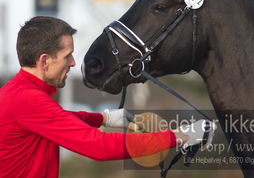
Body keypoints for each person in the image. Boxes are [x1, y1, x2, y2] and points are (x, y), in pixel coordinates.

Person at [0, 16, 215, 178]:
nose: (73, 63)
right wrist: (179, 136)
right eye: (68, 56)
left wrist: (104, 119)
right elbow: (99, 147)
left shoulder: (18, 93)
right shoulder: (28, 99)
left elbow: (60, 118)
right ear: (44, 61)